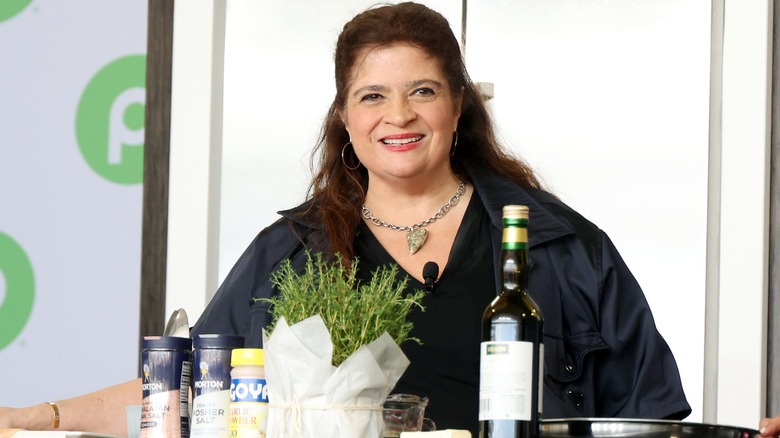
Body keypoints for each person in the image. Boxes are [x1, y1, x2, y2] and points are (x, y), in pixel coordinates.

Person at [0, 2, 691, 436]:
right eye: (372, 96)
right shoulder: (290, 251)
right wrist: (37, 417)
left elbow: (650, 420)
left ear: (458, 105)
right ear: (345, 119)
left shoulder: (565, 246)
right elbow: (182, 386)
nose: (399, 116)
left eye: (422, 91)